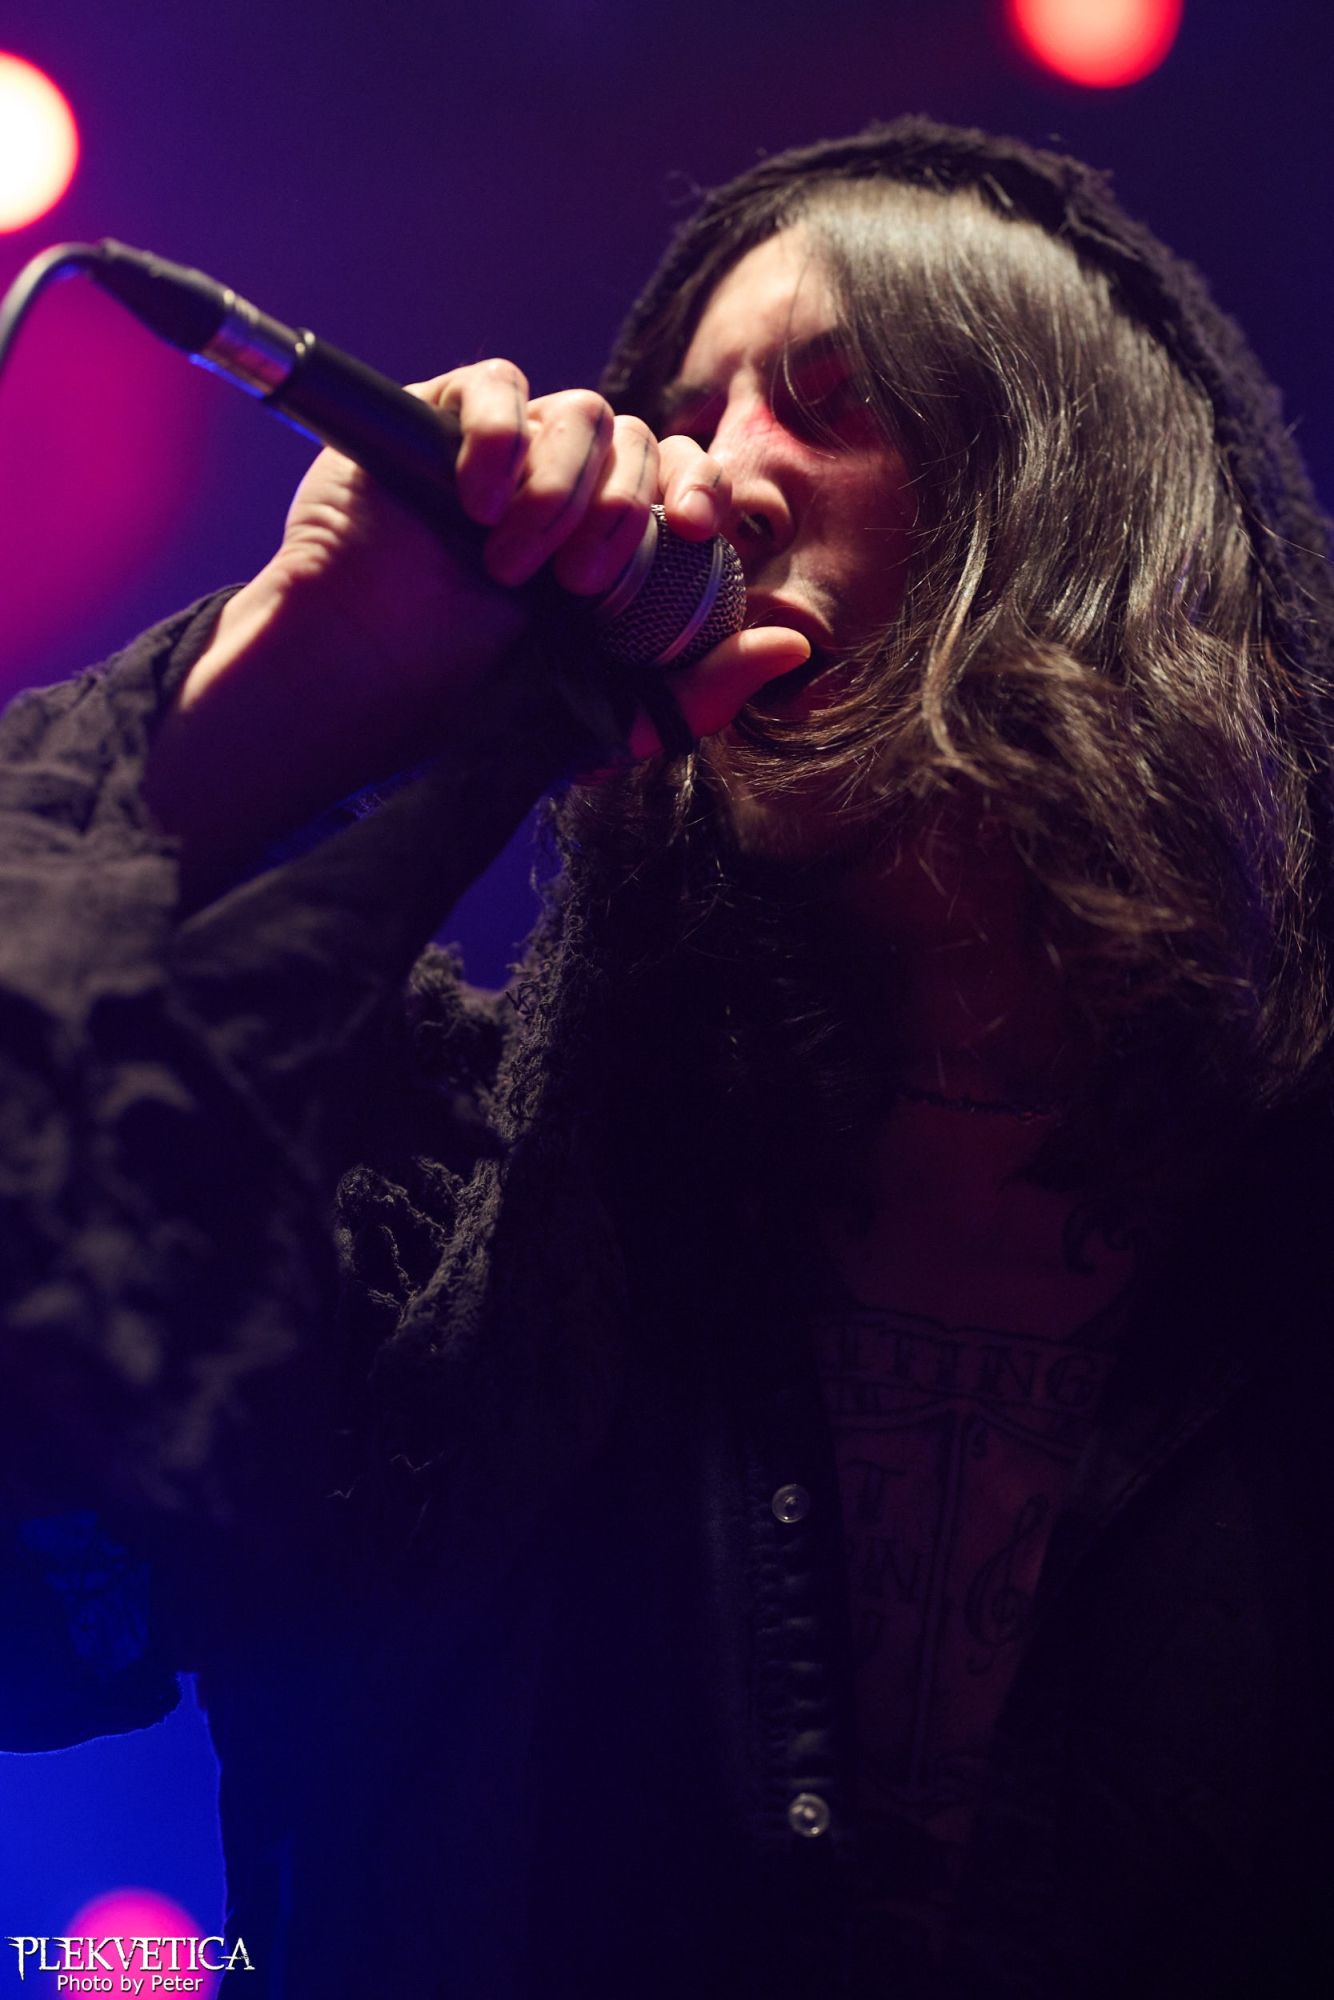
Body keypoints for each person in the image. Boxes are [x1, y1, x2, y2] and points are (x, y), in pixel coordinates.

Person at [2, 115, 1333, 1998]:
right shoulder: (454, 1225)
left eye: (834, 404)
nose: (718, 483)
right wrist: (301, 686)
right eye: (687, 423)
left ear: (1076, 494)